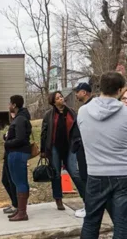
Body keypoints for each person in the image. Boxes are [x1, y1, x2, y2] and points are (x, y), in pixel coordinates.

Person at [78, 72, 127, 239]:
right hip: (123, 174)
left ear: (100, 87)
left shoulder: (83, 112)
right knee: (122, 223)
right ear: (120, 90)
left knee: (91, 221)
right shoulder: (126, 114)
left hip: (95, 172)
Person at [40, 91, 85, 211]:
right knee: (56, 173)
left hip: (70, 147)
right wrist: (43, 150)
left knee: (74, 172)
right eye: (58, 98)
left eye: (61, 96)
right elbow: (44, 133)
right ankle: (58, 199)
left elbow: (77, 127)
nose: (61, 99)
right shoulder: (49, 114)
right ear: (53, 102)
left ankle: (86, 197)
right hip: (54, 147)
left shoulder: (71, 112)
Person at [3, 95, 31, 221]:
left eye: (10, 103)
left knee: (20, 183)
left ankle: (22, 213)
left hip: (18, 153)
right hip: (17, 153)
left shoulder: (20, 119)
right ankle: (20, 210)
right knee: (19, 182)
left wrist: (7, 143)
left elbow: (20, 139)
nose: (8, 106)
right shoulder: (20, 118)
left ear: (14, 105)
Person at [69, 83, 93, 218]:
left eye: (77, 92)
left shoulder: (89, 108)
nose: (76, 94)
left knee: (86, 178)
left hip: (86, 150)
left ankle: (89, 208)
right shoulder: (85, 107)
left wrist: (78, 143)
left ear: (84, 92)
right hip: (83, 149)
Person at [2, 112, 18, 216]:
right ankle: (14, 203)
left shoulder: (18, 122)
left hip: (13, 155)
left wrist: (7, 140)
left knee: (12, 181)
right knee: (4, 180)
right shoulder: (12, 124)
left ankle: (16, 205)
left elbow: (18, 139)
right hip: (7, 155)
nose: (11, 114)